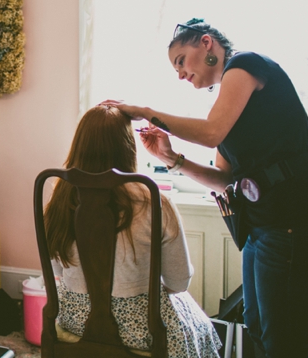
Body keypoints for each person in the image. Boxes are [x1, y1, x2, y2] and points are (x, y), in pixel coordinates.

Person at [102, 18, 308, 358]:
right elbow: (226, 180)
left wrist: (146, 112)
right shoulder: (229, 112)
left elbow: (211, 132)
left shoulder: (246, 64)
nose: (180, 74)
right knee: (257, 328)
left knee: (284, 342)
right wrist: (172, 159)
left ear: (207, 43)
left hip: (298, 225)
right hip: (262, 228)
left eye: (181, 60)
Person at [44, 105, 221, 357]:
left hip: (75, 320)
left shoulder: (60, 197)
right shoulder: (152, 201)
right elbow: (178, 282)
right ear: (127, 147)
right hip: (141, 329)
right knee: (195, 323)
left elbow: (58, 270)